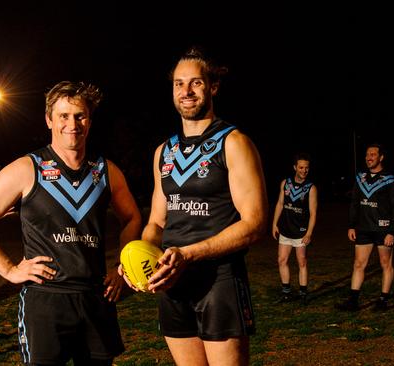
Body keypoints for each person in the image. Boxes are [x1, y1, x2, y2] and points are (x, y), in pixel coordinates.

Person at [0, 81, 141, 366]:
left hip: (96, 298)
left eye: (80, 115)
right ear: (49, 120)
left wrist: (123, 267)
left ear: (89, 121)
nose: (73, 124)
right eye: (63, 116)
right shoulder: (27, 168)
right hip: (45, 300)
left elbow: (132, 217)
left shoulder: (107, 171)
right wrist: (8, 269)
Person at [128, 47, 267, 366]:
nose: (186, 91)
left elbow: (255, 223)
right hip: (174, 282)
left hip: (219, 280)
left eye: (196, 83)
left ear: (213, 87)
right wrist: (138, 256)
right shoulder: (164, 151)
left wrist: (189, 254)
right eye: (179, 83)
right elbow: (157, 223)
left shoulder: (234, 143)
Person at [337, 143, 394, 311]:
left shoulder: (390, 179)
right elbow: (354, 203)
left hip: (383, 229)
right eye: (367, 154)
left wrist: (391, 231)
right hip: (363, 228)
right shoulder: (360, 177)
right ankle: (353, 301)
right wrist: (351, 225)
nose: (368, 157)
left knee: (385, 264)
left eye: (372, 154)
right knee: (358, 264)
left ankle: (383, 300)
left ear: (381, 157)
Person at [271, 153, 317, 305]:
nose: (304, 170)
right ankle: (286, 293)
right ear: (295, 168)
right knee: (282, 260)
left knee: (301, 262)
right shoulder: (286, 183)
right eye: (301, 167)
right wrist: (274, 223)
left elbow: (313, 213)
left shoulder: (311, 188)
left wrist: (309, 232)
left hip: (301, 231)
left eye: (307, 168)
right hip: (285, 229)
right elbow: (280, 204)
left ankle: (303, 293)